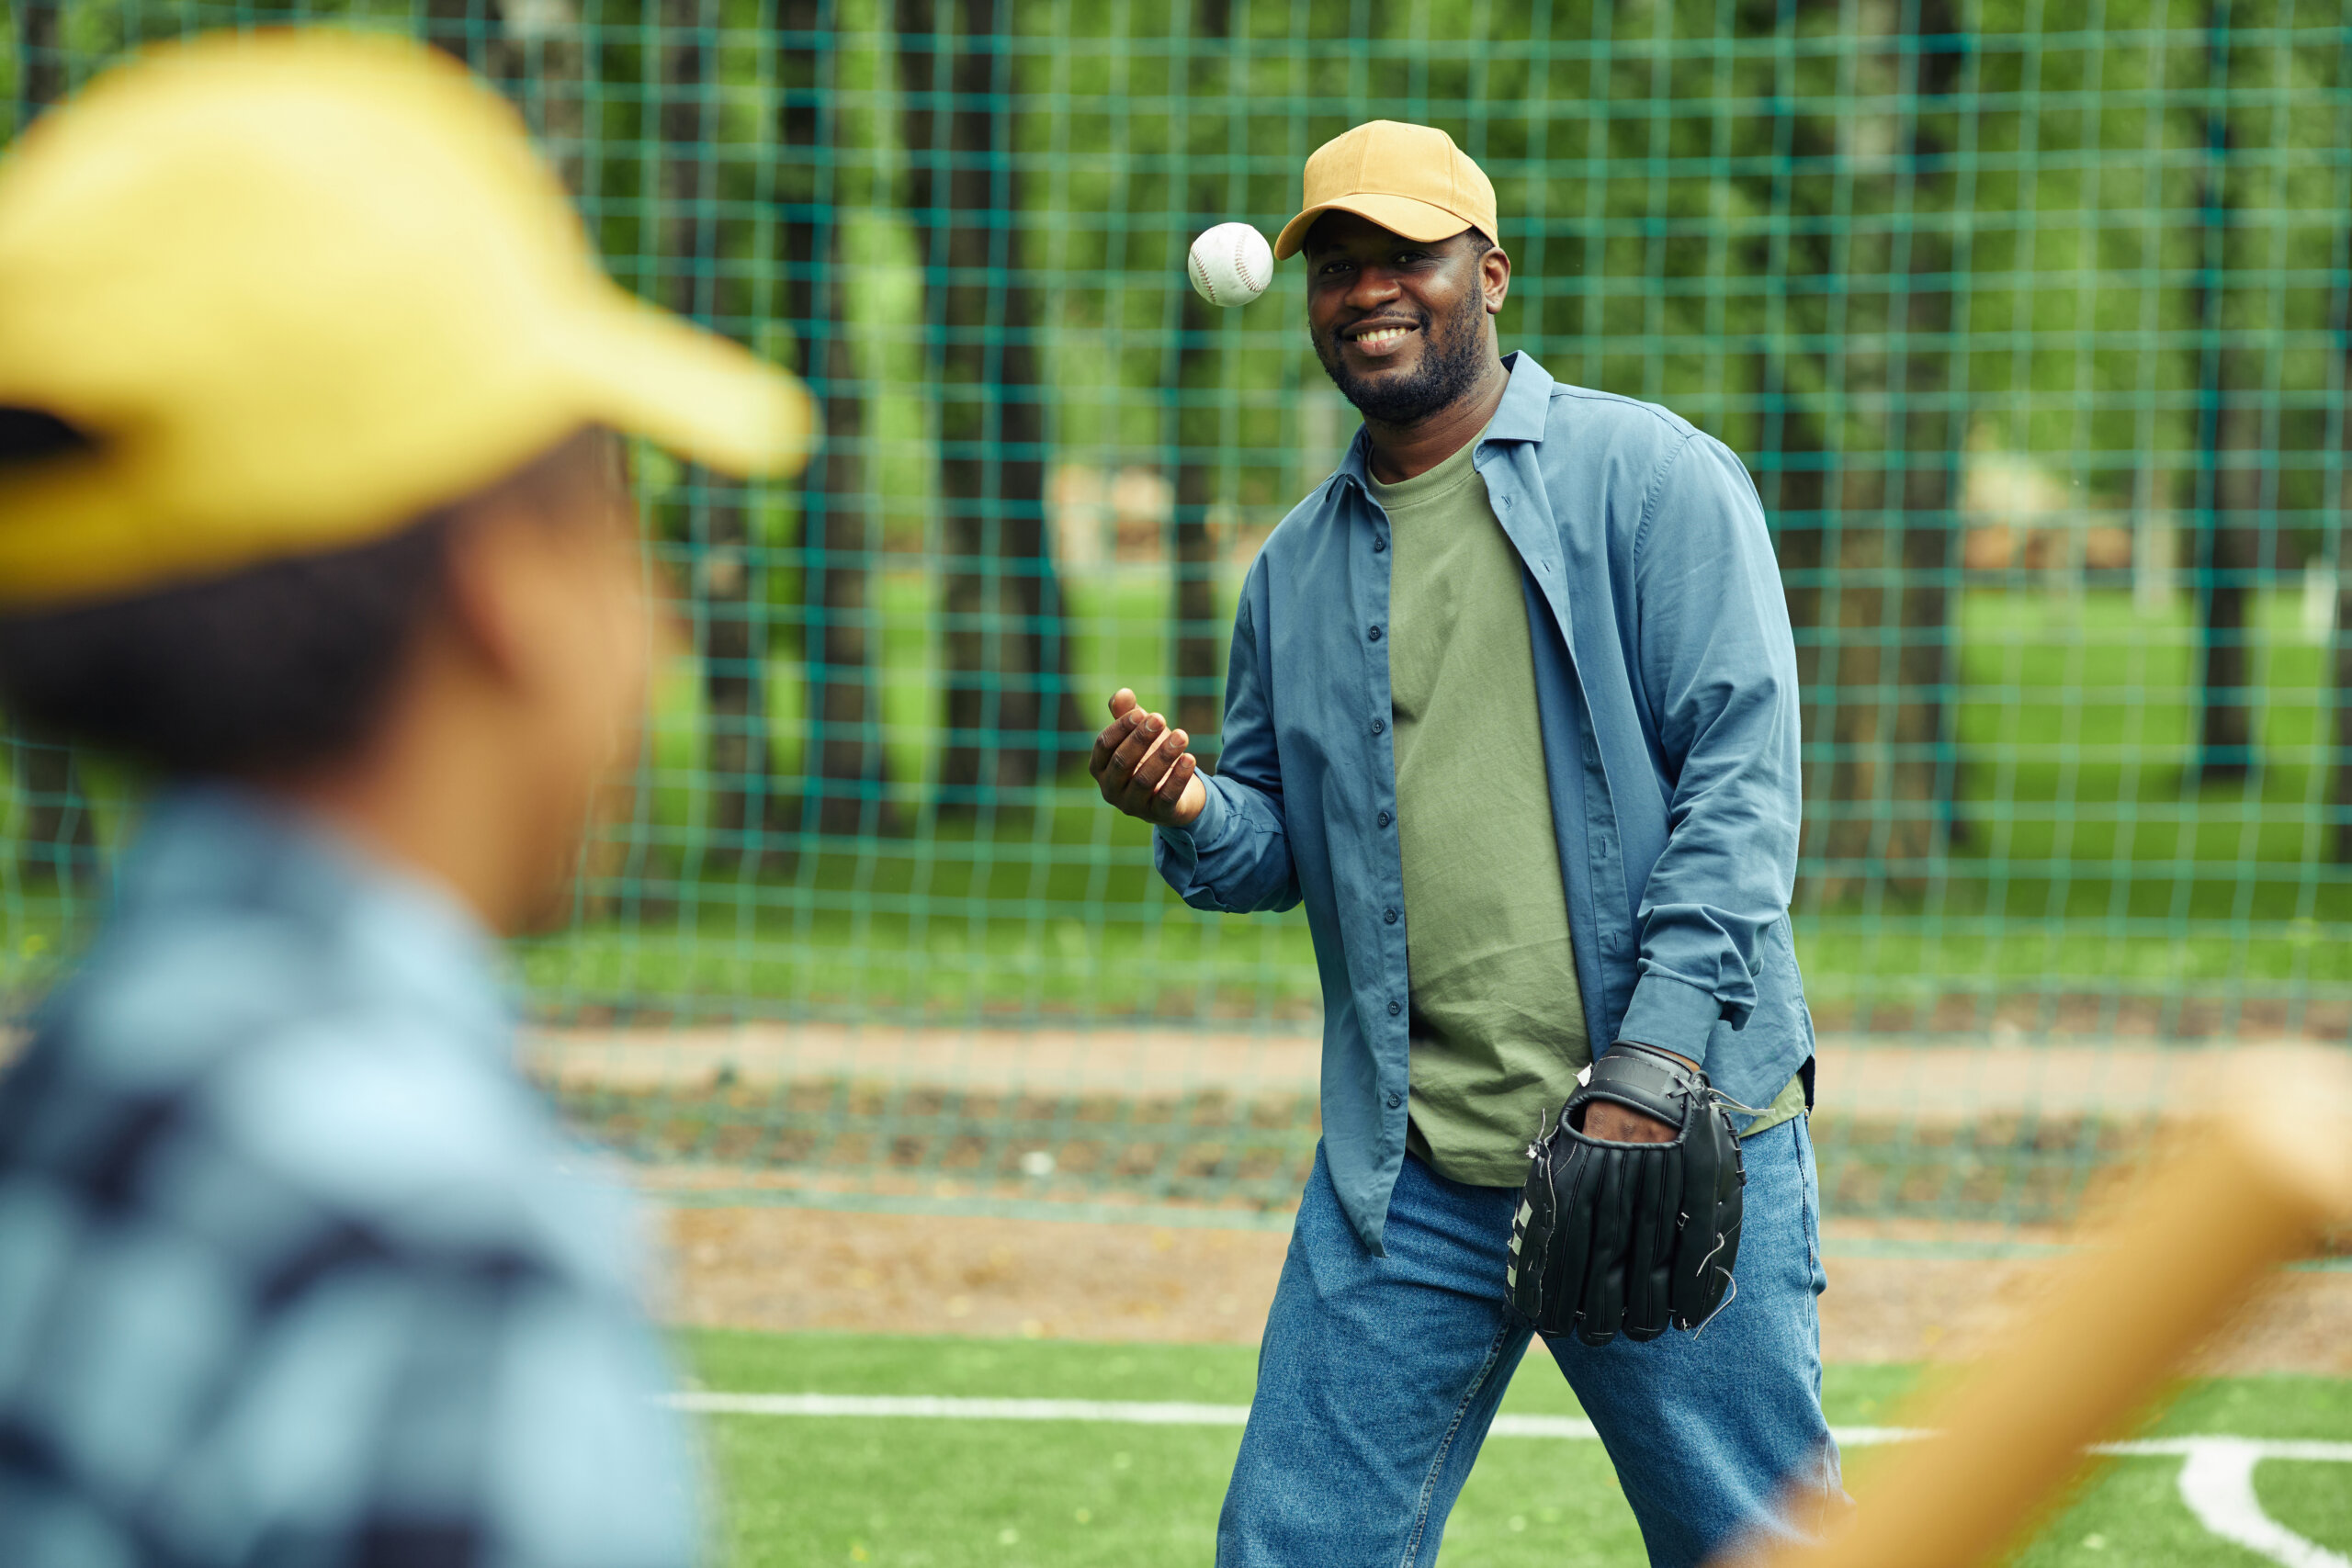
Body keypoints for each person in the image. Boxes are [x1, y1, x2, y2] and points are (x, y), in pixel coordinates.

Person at [0, 32, 808, 1566]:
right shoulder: (435, 1250)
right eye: (612, 507)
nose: (656, 629)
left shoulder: (72, 1117)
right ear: (506, 582)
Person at [1091, 120, 1838, 1567]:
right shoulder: (1293, 573)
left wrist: (1656, 1064)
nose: (1369, 290)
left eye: (1407, 257)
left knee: (1763, 1546)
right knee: (1292, 1549)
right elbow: (1273, 849)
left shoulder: (1651, 477)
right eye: (1338, 266)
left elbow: (1742, 793)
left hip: (1661, 1140)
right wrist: (1188, 807)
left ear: (1489, 273)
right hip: (1412, 1174)